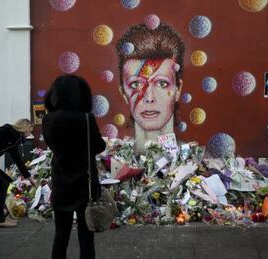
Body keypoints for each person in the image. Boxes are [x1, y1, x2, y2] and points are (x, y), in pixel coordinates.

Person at [42, 75, 106, 259]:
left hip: (61, 183)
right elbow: (99, 146)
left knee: (61, 235)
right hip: (84, 185)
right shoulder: (86, 119)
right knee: (86, 237)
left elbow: (52, 145)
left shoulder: (49, 120)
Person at [116, 22, 185, 152]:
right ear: (123, 94)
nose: (149, 97)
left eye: (162, 83)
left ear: (178, 89)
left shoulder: (199, 163)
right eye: (136, 84)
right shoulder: (111, 162)